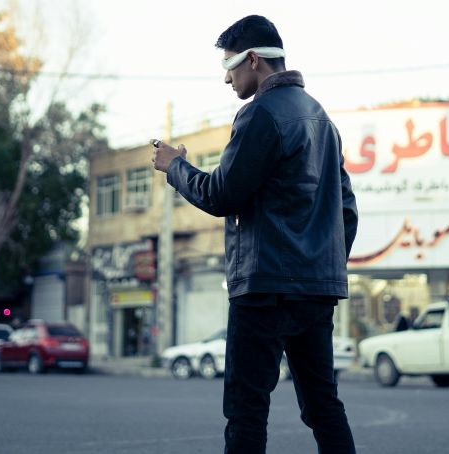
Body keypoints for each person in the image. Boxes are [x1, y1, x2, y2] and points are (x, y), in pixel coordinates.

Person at [150, 15, 358, 454]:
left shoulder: (260, 114)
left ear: (253, 61)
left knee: (246, 410)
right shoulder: (322, 118)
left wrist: (175, 167)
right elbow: (347, 211)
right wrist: (322, 267)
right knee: (323, 407)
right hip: (316, 291)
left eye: (229, 67)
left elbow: (222, 194)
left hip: (265, 289)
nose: (226, 78)